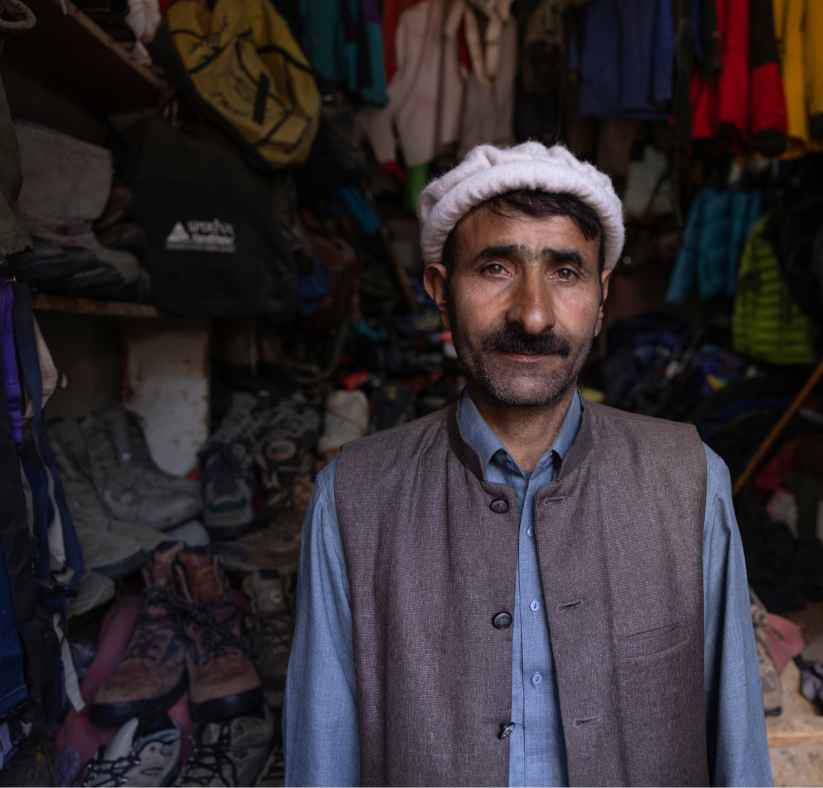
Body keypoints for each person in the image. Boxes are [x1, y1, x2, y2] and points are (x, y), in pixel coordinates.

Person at [284, 142, 773, 787]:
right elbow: (323, 760)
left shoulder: (688, 481)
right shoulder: (354, 496)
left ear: (601, 299)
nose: (533, 313)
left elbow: (738, 749)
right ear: (440, 290)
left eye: (565, 272)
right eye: (495, 268)